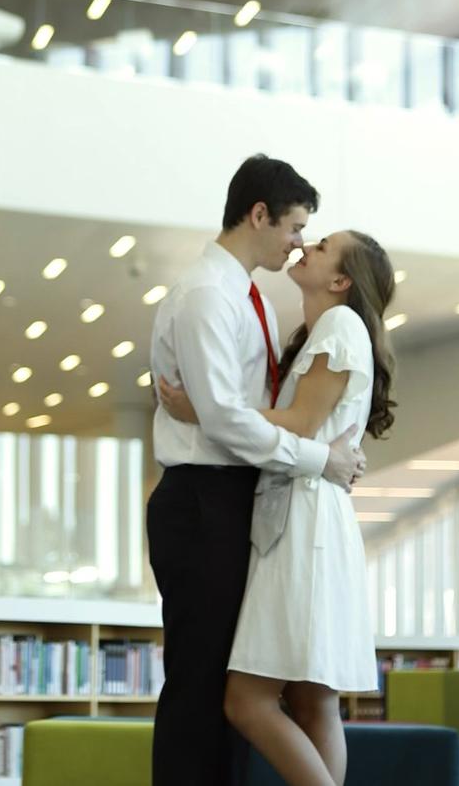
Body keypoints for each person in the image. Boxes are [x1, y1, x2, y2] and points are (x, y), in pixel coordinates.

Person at [146, 155, 366, 786]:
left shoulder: (258, 304)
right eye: (296, 226)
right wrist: (323, 460)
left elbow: (251, 413)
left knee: (231, 685)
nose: (299, 242)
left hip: (240, 501)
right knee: (198, 685)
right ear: (260, 214)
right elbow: (226, 424)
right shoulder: (205, 296)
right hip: (202, 501)